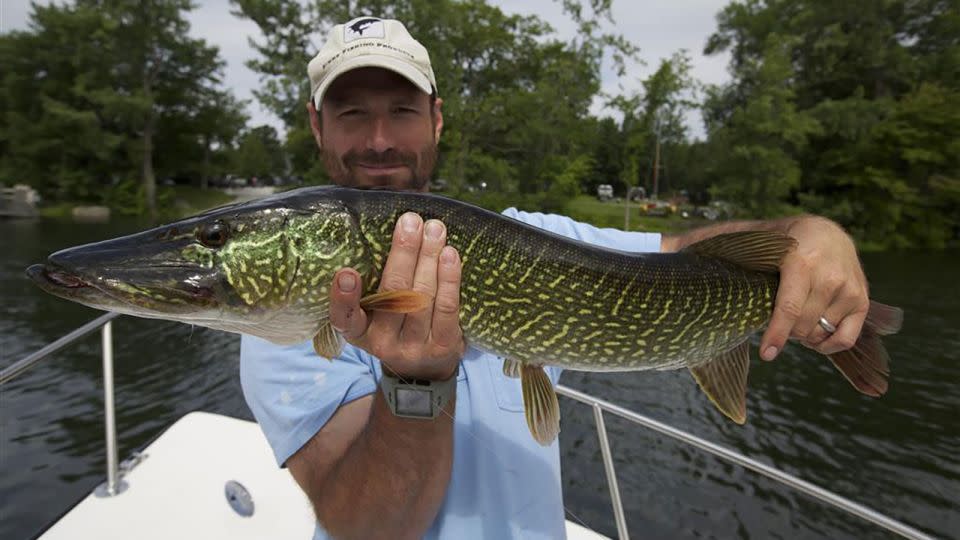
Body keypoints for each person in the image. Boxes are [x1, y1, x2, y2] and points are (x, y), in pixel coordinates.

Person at [240, 16, 872, 540]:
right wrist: (416, 382)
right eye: (351, 113)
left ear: (435, 119)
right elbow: (370, 528)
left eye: (401, 109)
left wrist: (813, 236)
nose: (378, 139)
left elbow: (681, 249)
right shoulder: (287, 323)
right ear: (317, 124)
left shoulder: (535, 240)